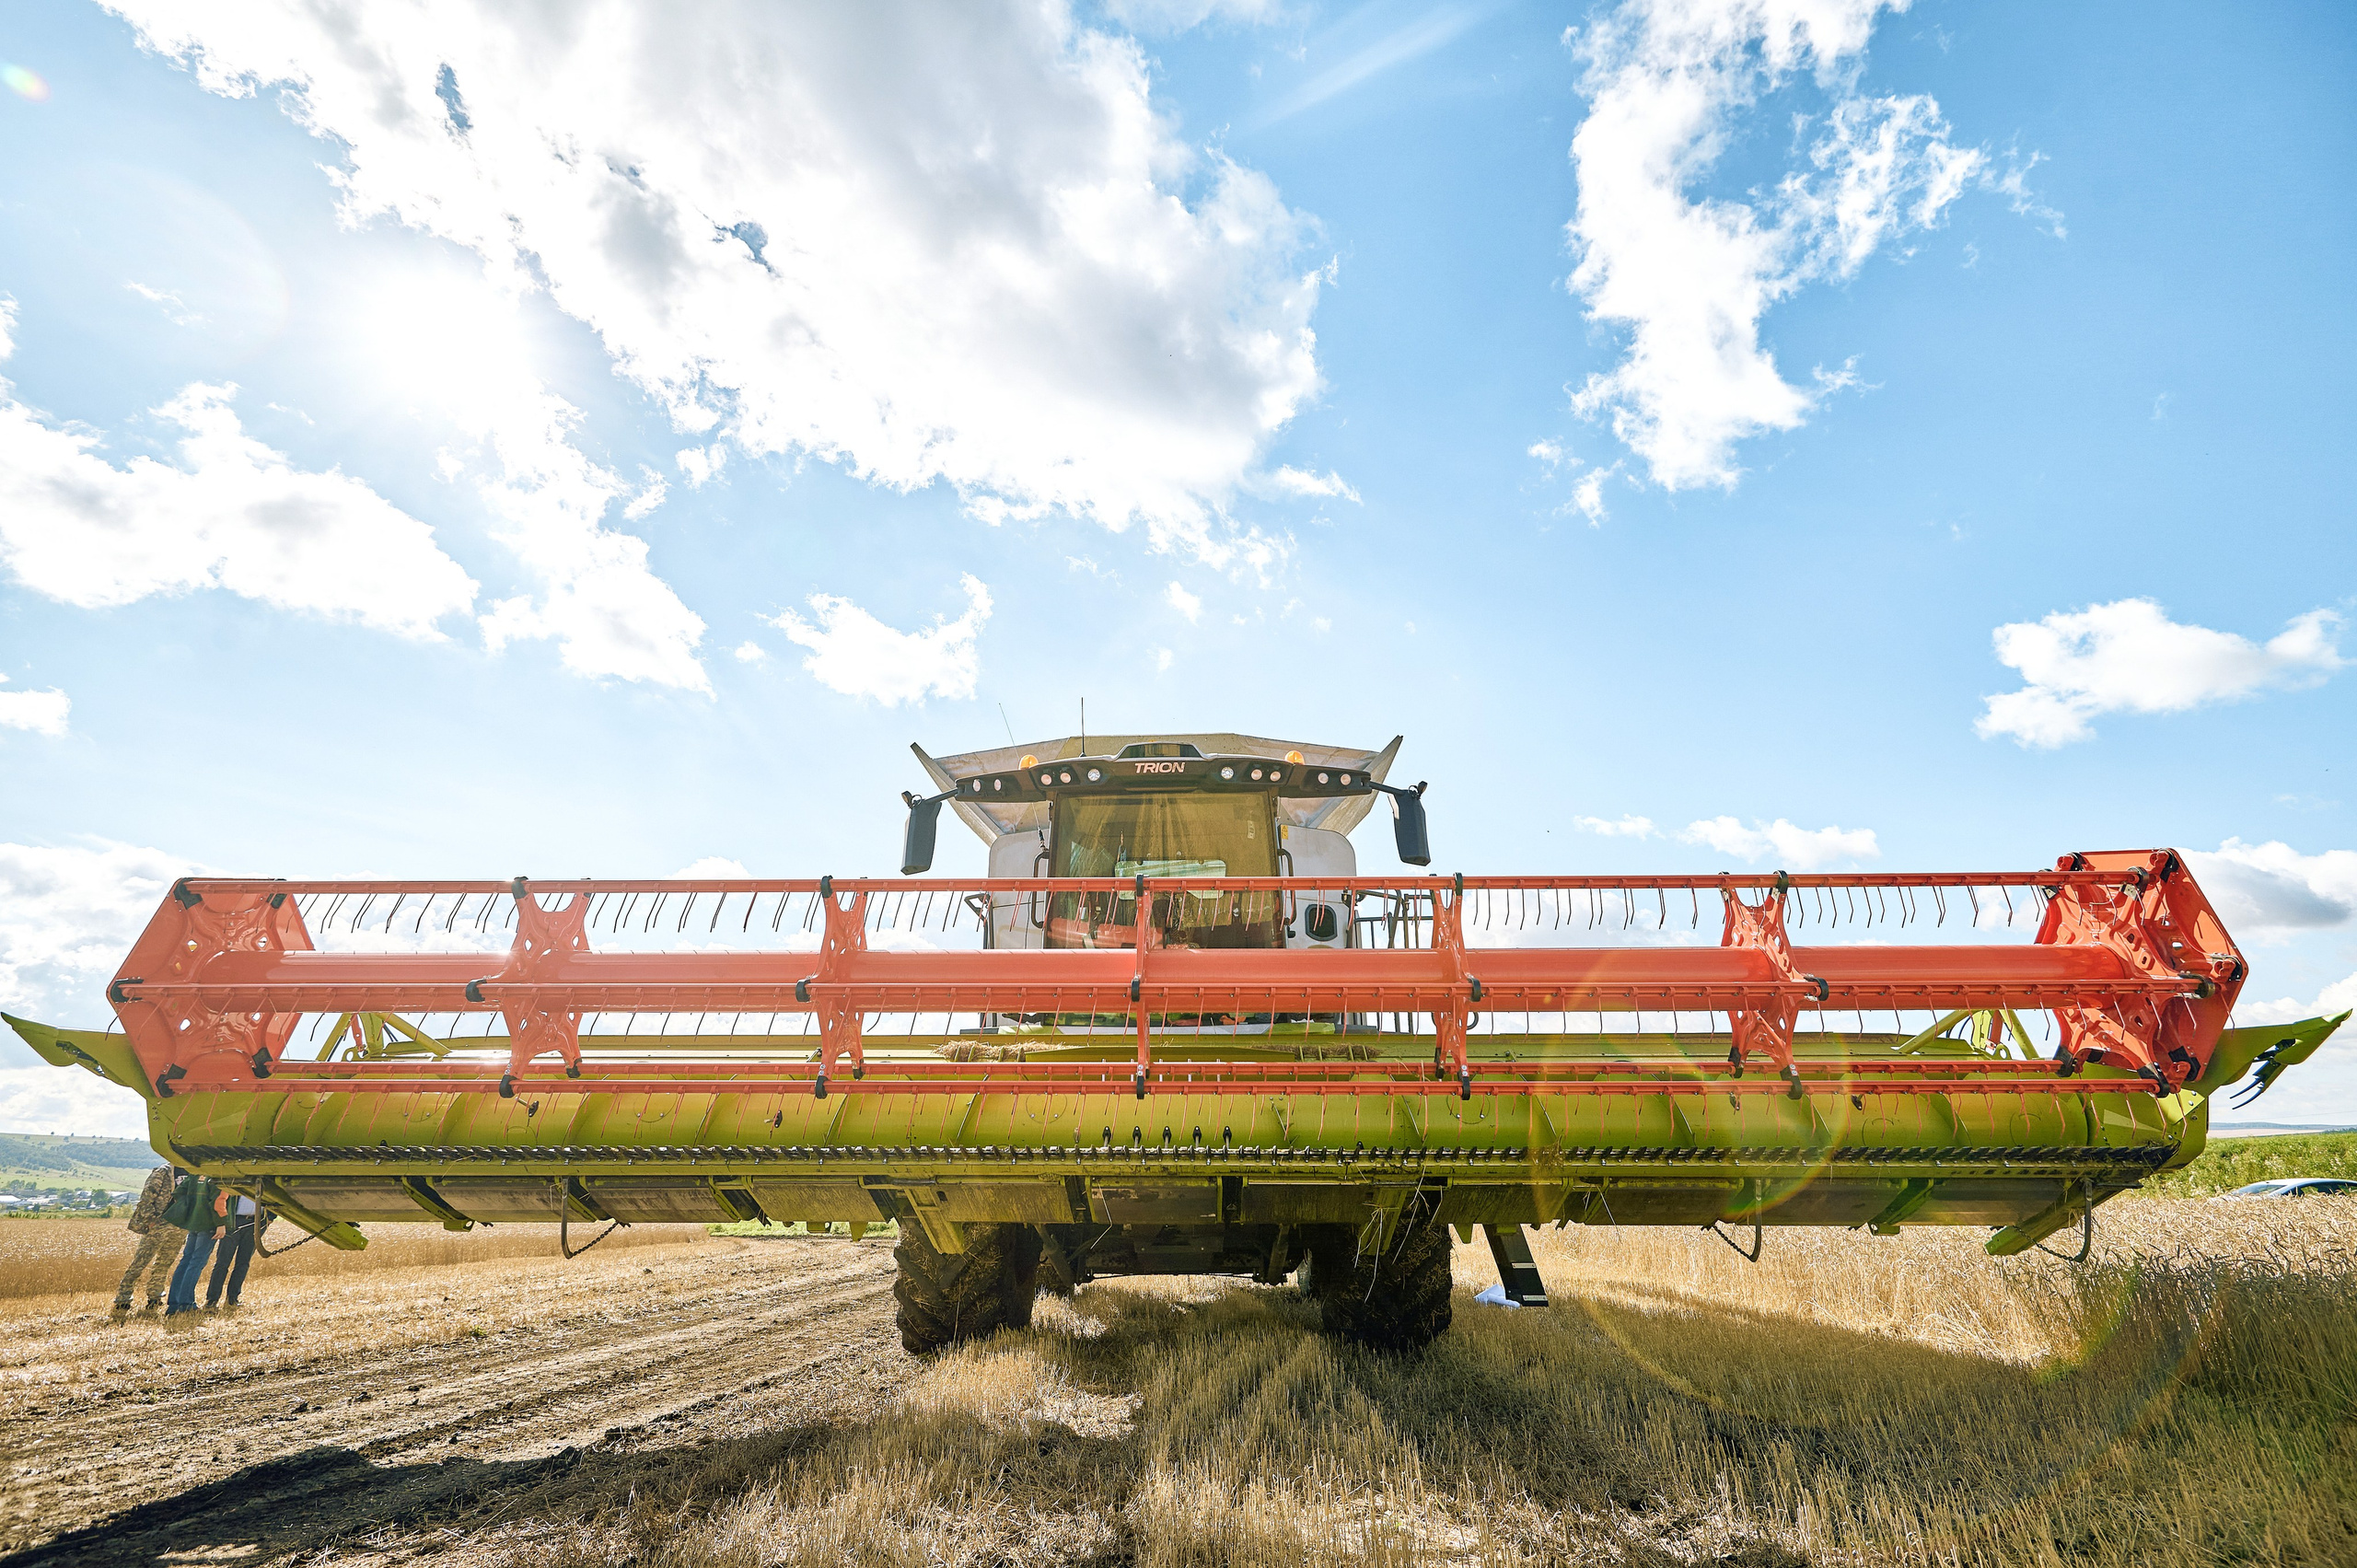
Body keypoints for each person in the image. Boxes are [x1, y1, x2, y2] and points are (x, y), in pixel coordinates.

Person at [112, 1165, 182, 1315]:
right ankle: (123, 1299)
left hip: (180, 1225)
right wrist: (150, 1219)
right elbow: (147, 1196)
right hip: (159, 1223)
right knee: (140, 1262)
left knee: (164, 1263)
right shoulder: (164, 1172)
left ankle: (155, 1297)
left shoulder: (194, 1171)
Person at [164, 1176, 228, 1318]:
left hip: (194, 1223)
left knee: (186, 1261)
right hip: (208, 1224)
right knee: (196, 1263)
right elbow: (219, 1202)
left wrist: (190, 1211)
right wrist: (220, 1223)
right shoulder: (220, 1174)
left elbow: (178, 1192)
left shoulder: (195, 1173)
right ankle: (186, 1304)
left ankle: (174, 1304)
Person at [206, 1192, 261, 1309]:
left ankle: (232, 1299)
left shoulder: (266, 1180)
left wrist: (270, 1218)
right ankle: (212, 1300)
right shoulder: (240, 1177)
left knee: (243, 1263)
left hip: (255, 1223)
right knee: (222, 1263)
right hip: (233, 1221)